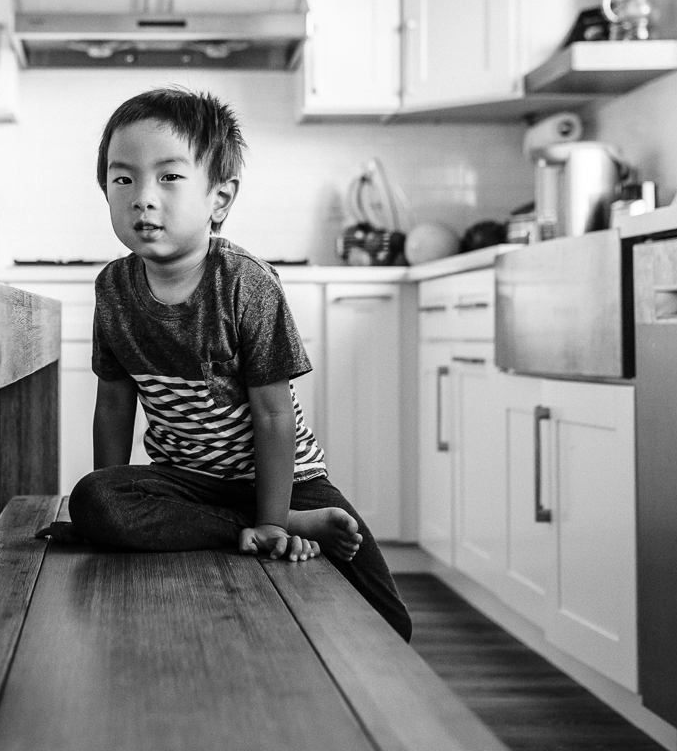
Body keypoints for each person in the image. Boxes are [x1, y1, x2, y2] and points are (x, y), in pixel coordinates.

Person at [49, 87, 412, 641]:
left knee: (390, 621)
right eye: (123, 179)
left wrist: (272, 517)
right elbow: (114, 401)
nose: (143, 197)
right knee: (94, 499)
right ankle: (254, 526)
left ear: (220, 198)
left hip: (287, 482)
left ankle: (282, 519)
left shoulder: (246, 283)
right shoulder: (113, 289)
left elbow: (272, 417)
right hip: (186, 484)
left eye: (169, 177)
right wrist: (109, 496)